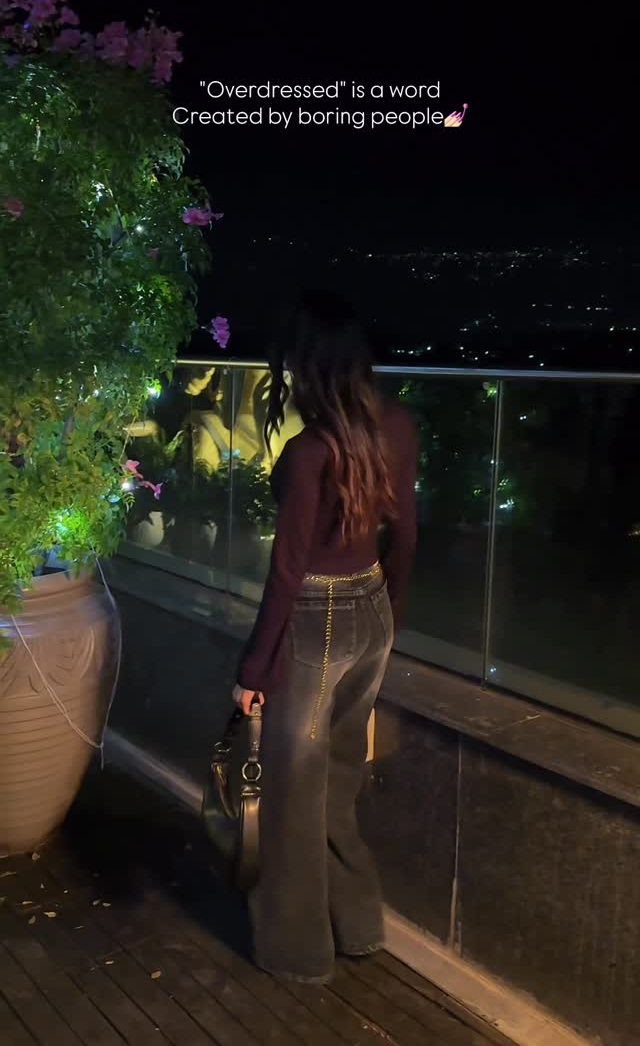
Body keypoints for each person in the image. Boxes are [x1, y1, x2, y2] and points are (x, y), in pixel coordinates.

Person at [232, 290, 418, 984]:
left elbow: (288, 571)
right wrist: (390, 612)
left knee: (293, 792)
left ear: (306, 367)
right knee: (339, 778)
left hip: (318, 620)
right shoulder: (396, 423)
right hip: (373, 608)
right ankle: (358, 924)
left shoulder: (310, 452)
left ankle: (298, 950)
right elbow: (407, 533)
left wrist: (254, 670)